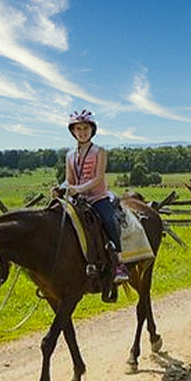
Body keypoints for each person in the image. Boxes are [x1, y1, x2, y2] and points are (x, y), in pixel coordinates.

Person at [59, 109, 129, 283]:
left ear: (92, 130)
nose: (82, 132)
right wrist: (60, 188)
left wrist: (79, 188)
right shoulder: (69, 155)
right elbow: (68, 180)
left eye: (85, 128)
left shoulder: (99, 151)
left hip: (98, 198)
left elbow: (99, 179)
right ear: (73, 132)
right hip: (78, 200)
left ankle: (119, 263)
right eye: (78, 129)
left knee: (108, 220)